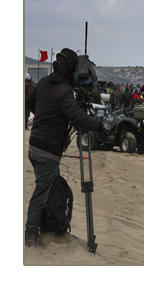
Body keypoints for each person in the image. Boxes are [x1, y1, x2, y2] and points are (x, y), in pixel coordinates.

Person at [24, 48, 107, 248]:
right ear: (69, 71)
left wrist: (44, 115)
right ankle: (30, 235)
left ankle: (46, 223)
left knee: (47, 186)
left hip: (35, 146)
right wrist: (98, 125)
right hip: (47, 151)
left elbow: (28, 101)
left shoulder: (43, 83)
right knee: (41, 192)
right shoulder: (64, 93)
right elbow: (78, 117)